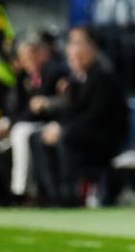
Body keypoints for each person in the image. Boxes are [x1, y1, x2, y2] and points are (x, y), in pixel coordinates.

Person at [33, 27, 128, 206]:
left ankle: (70, 194)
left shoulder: (103, 76)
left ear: (92, 48)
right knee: (40, 137)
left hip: (104, 137)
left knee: (66, 137)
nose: (71, 50)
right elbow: (72, 111)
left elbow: (97, 116)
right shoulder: (76, 80)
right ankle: (53, 194)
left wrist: (63, 128)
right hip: (83, 131)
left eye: (76, 44)